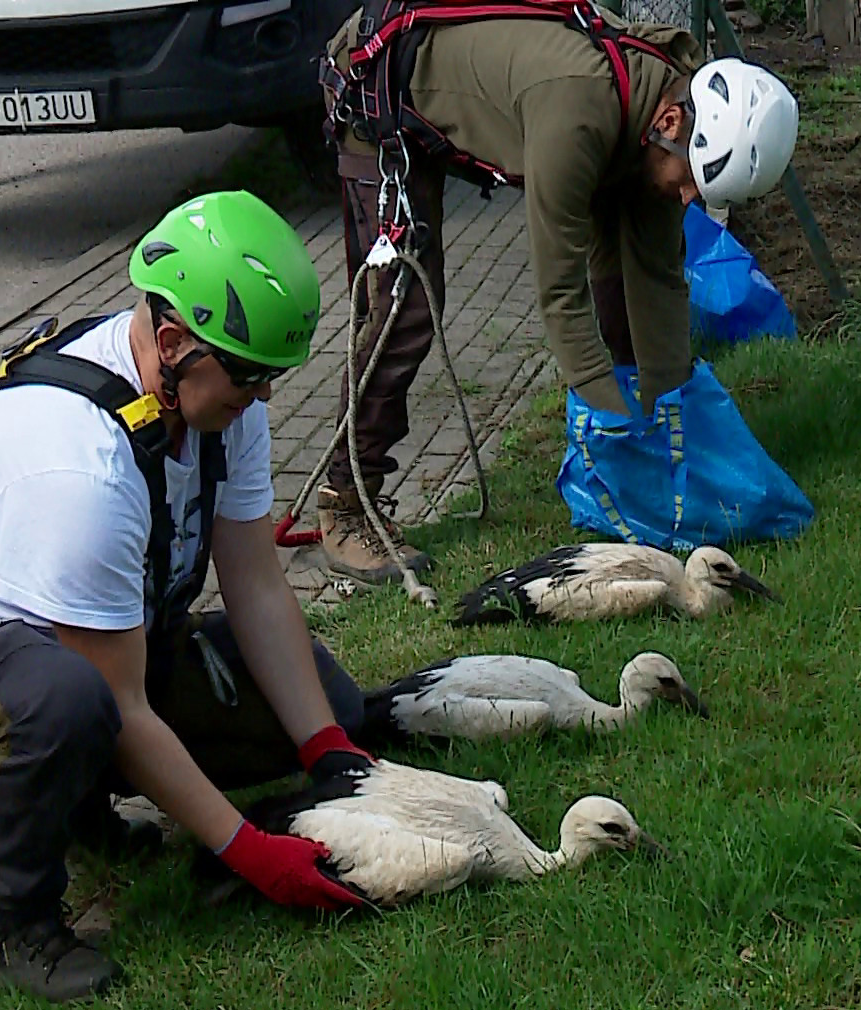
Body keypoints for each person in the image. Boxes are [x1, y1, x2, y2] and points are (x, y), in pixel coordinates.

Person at [0, 191, 379, 1004]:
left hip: (67, 641)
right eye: (251, 380)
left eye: (273, 378)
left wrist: (328, 749)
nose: (263, 399)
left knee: (328, 699)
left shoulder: (218, 397)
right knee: (66, 704)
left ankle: (79, 808)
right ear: (171, 342)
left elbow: (257, 585)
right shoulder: (78, 470)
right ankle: (16, 925)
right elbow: (120, 703)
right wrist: (249, 854)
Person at [310, 1, 799, 583]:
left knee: (622, 274)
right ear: (669, 124)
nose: (691, 200)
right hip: (382, 91)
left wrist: (675, 423)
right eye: (692, 182)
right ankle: (345, 504)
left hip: (510, 101)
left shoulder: (664, 110)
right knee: (406, 310)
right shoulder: (577, 116)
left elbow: (659, 279)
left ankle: (630, 479)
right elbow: (559, 292)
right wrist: (610, 418)